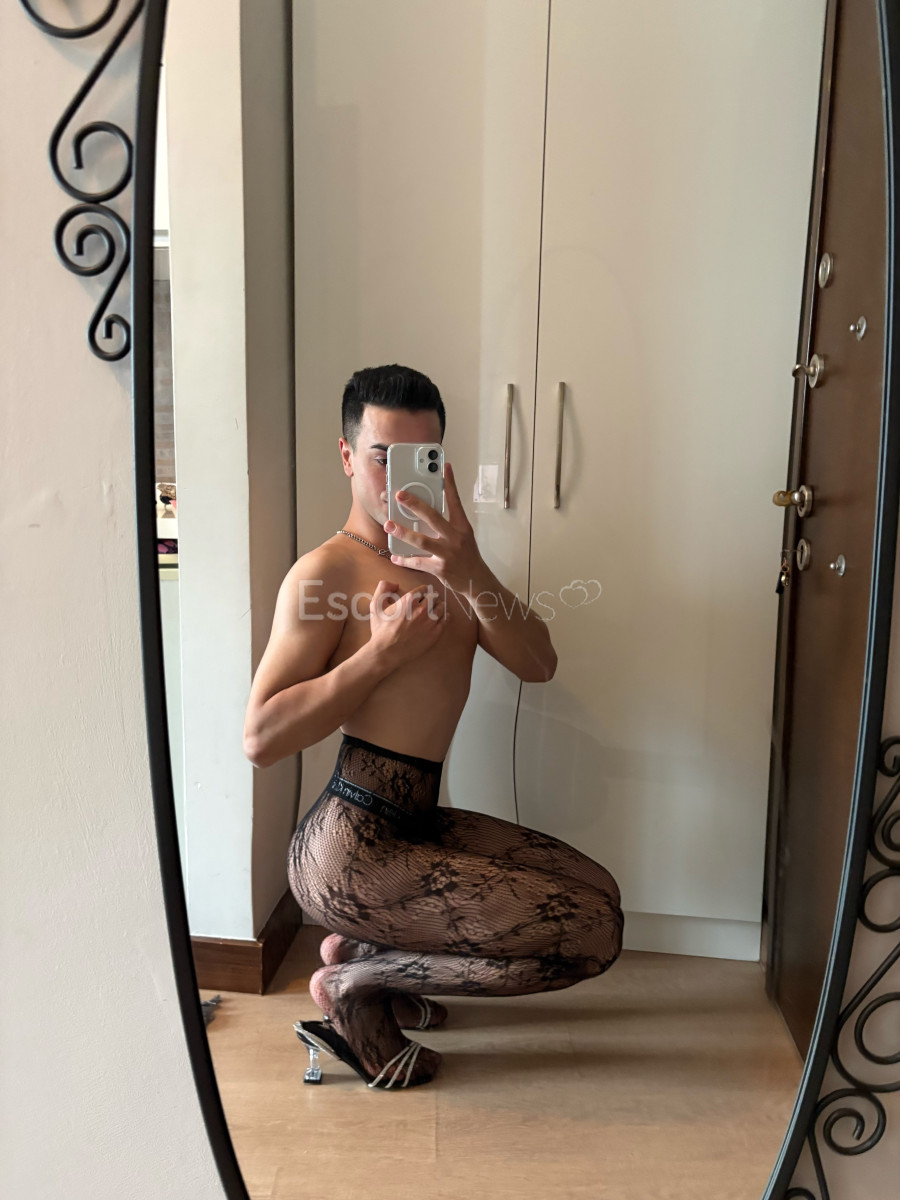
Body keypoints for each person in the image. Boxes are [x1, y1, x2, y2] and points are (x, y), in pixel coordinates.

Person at [243, 364, 623, 1089]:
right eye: (381, 457)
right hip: (349, 848)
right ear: (347, 456)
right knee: (592, 932)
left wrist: (469, 565)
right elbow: (260, 738)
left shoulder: (453, 567)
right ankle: (355, 990)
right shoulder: (324, 575)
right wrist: (379, 655)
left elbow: (539, 663)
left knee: (597, 890)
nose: (399, 478)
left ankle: (364, 953)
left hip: (416, 825)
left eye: (421, 458)